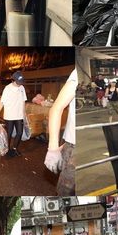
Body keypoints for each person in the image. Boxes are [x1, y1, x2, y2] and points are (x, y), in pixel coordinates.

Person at [44, 68, 76, 196]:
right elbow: (56, 108)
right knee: (66, 193)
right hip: (74, 148)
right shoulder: (77, 74)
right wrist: (52, 149)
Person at [0, 71, 27, 158]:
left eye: (21, 82)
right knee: (8, 133)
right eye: (18, 82)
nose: (20, 84)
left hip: (19, 115)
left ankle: (15, 148)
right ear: (14, 80)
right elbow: (2, 103)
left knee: (19, 132)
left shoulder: (22, 88)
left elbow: (23, 101)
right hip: (9, 115)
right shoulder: (7, 88)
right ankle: (7, 149)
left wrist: (24, 113)